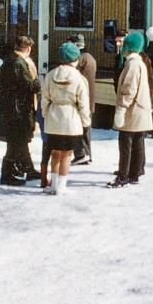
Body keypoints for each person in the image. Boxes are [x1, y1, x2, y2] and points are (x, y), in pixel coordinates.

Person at [41, 42, 91, 195]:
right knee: (67, 154)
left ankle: (54, 185)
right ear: (75, 59)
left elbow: (44, 100)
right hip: (71, 119)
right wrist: (85, 121)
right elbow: (83, 103)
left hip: (53, 118)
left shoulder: (50, 75)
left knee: (55, 153)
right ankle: (62, 186)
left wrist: (46, 115)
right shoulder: (79, 78)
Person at [0, 36, 41, 186]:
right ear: (28, 48)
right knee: (15, 143)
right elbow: (29, 86)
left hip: (12, 108)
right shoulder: (18, 63)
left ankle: (29, 169)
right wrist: (37, 81)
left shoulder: (11, 60)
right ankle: (6, 174)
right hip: (17, 110)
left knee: (20, 141)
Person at [109, 32, 150, 188]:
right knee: (138, 142)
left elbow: (129, 90)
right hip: (140, 109)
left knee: (125, 142)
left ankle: (123, 175)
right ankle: (134, 173)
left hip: (132, 111)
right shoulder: (139, 63)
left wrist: (121, 109)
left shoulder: (132, 64)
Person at [70, 34, 98, 164]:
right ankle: (88, 154)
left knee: (79, 127)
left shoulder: (79, 60)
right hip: (89, 98)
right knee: (86, 128)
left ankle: (81, 154)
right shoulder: (90, 58)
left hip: (80, 99)